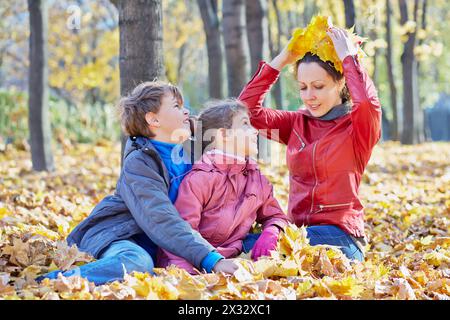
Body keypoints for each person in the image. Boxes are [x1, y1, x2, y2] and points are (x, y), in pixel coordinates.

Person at [37, 81, 238, 285]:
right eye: (177, 106)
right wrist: (211, 259)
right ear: (153, 119)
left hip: (167, 243)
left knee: (251, 243)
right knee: (137, 263)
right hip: (122, 236)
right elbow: (161, 217)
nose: (186, 112)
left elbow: (233, 118)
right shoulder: (140, 163)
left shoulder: (190, 151)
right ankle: (49, 282)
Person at [238, 24, 382, 261]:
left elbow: (367, 102)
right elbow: (245, 111)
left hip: (341, 237)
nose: (309, 96)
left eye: (318, 86)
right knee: (242, 241)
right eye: (303, 87)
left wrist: (349, 57)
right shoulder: (297, 123)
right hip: (298, 232)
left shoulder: (358, 127)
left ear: (341, 84)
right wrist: (281, 60)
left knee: (265, 246)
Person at [157, 100, 290, 273]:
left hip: (233, 260)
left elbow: (276, 216)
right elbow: (181, 236)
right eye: (245, 124)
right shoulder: (200, 179)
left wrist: (272, 231)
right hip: (196, 262)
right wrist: (187, 279)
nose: (255, 130)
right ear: (224, 135)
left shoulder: (256, 179)